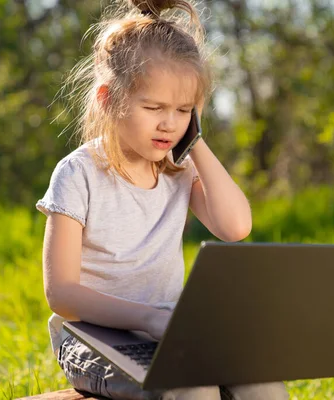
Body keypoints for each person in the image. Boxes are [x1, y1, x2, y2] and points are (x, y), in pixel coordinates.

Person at [36, 0, 290, 398]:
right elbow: (62, 294)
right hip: (91, 340)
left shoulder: (180, 170)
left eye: (184, 110)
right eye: (154, 107)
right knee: (195, 389)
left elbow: (236, 227)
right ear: (108, 100)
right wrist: (149, 319)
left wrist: (197, 144)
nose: (169, 123)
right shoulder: (78, 174)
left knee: (264, 386)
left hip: (166, 333)